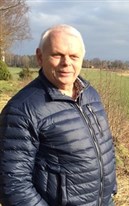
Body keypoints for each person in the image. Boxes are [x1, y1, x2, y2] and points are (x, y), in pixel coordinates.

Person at [0, 24, 117, 206]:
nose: (67, 63)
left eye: (73, 56)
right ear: (40, 57)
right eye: (57, 55)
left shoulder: (90, 94)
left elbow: (104, 146)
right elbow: (13, 185)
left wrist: (111, 190)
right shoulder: (22, 109)